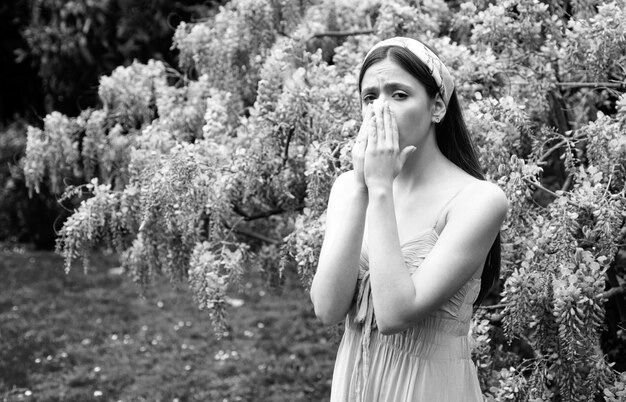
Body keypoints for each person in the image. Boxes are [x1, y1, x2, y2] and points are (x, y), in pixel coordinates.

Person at [309, 37, 508, 401]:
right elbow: (327, 308)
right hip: (355, 384)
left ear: (437, 107)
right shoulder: (348, 190)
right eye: (370, 97)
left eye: (398, 95)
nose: (379, 111)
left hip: (429, 388)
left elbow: (395, 315)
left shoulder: (479, 200)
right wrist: (361, 187)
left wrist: (380, 187)